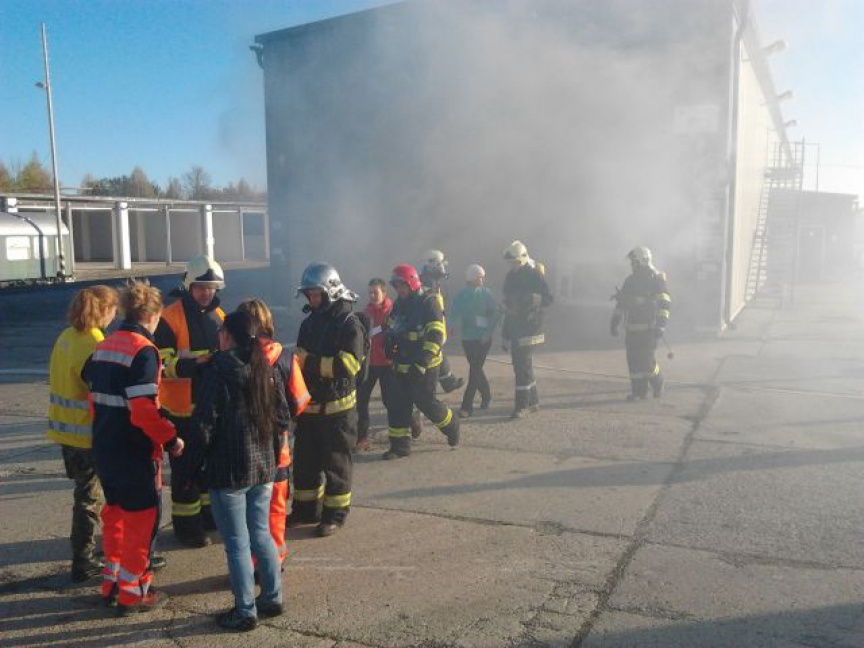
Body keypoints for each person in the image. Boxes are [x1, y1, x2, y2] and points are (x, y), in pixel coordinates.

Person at [82, 281, 184, 614]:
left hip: (104, 447)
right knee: (141, 523)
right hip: (133, 451)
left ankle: (112, 583)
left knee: (115, 518)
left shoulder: (104, 345)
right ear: (153, 315)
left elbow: (91, 389)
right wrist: (170, 438)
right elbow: (142, 410)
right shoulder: (144, 351)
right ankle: (134, 593)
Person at [189, 310, 290, 632]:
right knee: (261, 533)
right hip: (264, 467)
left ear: (227, 335)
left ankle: (245, 610)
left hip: (228, 470)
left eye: (221, 331)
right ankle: (272, 597)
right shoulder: (266, 368)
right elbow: (283, 417)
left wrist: (190, 466)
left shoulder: (218, 370)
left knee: (236, 543)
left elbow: (204, 424)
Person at [47, 285, 118, 583]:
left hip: (66, 430)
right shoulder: (95, 343)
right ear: (104, 310)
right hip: (88, 434)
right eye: (113, 309)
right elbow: (100, 388)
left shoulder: (66, 336)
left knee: (85, 495)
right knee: (90, 499)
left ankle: (87, 554)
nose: (115, 315)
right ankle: (83, 559)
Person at [155, 255, 225, 547]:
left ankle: (207, 518)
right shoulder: (169, 317)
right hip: (180, 410)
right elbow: (162, 364)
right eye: (201, 287)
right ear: (189, 286)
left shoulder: (218, 316)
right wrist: (197, 364)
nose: (206, 292)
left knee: (208, 467)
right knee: (186, 472)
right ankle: (186, 527)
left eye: (211, 287)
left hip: (209, 407)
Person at [290, 262, 364, 537]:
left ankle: (335, 515)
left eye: (316, 294)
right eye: (309, 294)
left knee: (336, 465)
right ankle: (305, 510)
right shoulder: (309, 323)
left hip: (338, 411)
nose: (312, 299)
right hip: (309, 408)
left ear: (331, 291)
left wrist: (308, 361)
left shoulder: (349, 323)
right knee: (305, 464)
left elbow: (348, 365)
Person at [236, 298, 311, 567]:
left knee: (245, 512)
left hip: (242, 448)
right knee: (275, 508)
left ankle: (248, 564)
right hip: (278, 447)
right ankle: (273, 561)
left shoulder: (231, 358)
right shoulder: (285, 357)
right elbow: (300, 401)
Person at [382, 264, 460, 459]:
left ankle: (452, 426)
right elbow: (391, 325)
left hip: (425, 364)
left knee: (426, 403)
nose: (399, 290)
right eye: (396, 286)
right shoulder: (399, 303)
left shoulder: (428, 302)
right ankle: (399, 446)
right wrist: (389, 342)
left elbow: (436, 335)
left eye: (402, 286)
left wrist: (422, 362)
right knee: (398, 404)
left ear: (412, 283)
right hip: (402, 362)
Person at [610, 246, 671, 400]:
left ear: (642, 260)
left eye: (634, 262)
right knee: (634, 362)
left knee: (646, 362)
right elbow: (622, 303)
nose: (632, 265)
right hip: (632, 330)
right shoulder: (630, 280)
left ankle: (658, 382)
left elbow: (664, 303)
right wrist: (615, 322)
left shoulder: (655, 279)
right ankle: (639, 392)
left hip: (649, 330)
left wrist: (661, 325)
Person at [501, 240, 553, 419]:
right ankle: (533, 402)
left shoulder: (534, 275)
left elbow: (548, 298)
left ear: (522, 259)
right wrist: (505, 334)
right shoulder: (510, 277)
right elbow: (508, 302)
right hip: (516, 326)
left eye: (514, 262)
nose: (511, 265)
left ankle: (521, 406)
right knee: (523, 364)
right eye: (510, 262)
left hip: (530, 327)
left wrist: (532, 298)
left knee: (521, 366)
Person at [449, 264, 501, 418]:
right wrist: (450, 326)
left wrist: (488, 333)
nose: (482, 280)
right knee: (476, 368)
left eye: (483, 277)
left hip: (483, 339)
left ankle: (467, 406)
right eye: (480, 277)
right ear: (471, 278)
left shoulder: (486, 294)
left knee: (474, 370)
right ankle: (486, 396)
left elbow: (495, 313)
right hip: (467, 339)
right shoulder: (462, 295)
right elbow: (453, 311)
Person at [356, 278, 394, 451]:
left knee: (390, 400)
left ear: (384, 293)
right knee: (361, 400)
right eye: (370, 293)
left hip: (388, 364)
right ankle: (362, 437)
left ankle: (407, 425)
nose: (372, 296)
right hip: (370, 364)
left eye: (375, 292)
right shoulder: (366, 313)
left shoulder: (393, 311)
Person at [419, 249, 465, 394]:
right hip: (429, 324)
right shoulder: (427, 283)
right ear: (433, 265)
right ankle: (445, 383)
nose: (443, 267)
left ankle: (448, 381)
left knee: (438, 349)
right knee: (435, 350)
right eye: (441, 264)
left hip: (436, 320)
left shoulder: (432, 281)